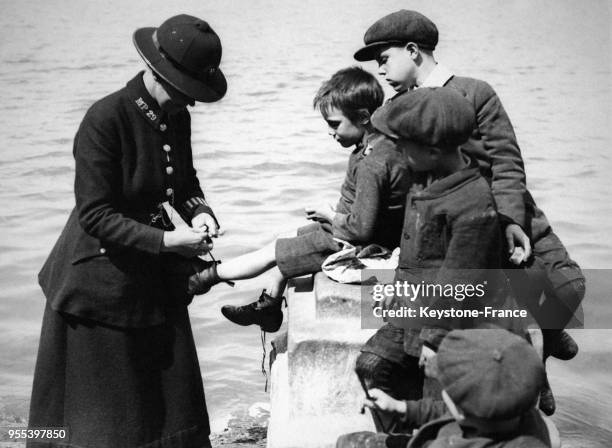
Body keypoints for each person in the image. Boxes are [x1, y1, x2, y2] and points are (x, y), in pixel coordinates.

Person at [353, 9, 585, 415]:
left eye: (384, 58)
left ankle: (542, 352)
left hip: (500, 216)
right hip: (448, 231)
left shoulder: (475, 92)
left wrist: (511, 221)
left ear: (413, 51)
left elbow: (506, 164)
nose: (380, 69)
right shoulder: (399, 109)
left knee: (564, 287)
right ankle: (537, 353)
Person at [28, 14, 226, 448]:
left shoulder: (175, 116)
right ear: (157, 72)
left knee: (171, 407)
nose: (190, 103)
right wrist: (167, 241)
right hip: (96, 280)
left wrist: (199, 214)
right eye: (185, 91)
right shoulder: (105, 118)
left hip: (148, 271)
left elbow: (184, 182)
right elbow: (94, 214)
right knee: (95, 420)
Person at [188, 67, 416, 333]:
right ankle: (269, 306)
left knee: (271, 253)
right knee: (284, 239)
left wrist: (329, 215)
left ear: (364, 117)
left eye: (334, 124)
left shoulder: (372, 161)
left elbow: (361, 229)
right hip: (355, 232)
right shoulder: (381, 145)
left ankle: (201, 278)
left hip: (354, 241)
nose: (330, 133)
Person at [337, 329, 559, 448]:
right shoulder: (522, 416)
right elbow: (449, 413)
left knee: (348, 443)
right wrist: (401, 407)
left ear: (461, 412)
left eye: (447, 389)